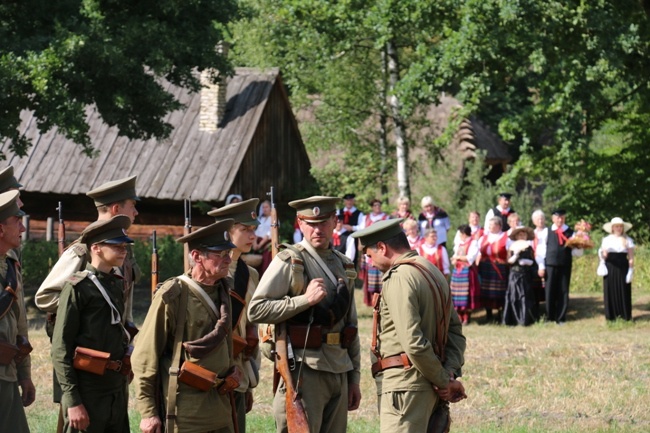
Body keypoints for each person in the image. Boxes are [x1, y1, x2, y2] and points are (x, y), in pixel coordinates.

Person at [248, 196, 361, 433]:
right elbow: (256, 309)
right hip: (303, 370)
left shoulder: (346, 265)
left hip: (339, 369)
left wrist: (354, 379)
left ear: (335, 222)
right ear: (300, 223)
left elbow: (351, 327)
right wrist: (304, 300)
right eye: (310, 223)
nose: (317, 229)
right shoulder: (289, 261)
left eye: (323, 222)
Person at [35, 175, 141, 424]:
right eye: (132, 205)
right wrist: (88, 310)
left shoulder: (122, 249)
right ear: (116, 209)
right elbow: (45, 297)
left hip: (113, 356)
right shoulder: (83, 249)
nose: (136, 212)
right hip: (85, 359)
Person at [351, 219, 466, 432]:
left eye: (369, 255)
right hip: (428, 387)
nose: (370, 263)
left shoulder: (399, 277)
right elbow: (455, 332)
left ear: (383, 248)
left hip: (405, 389)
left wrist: (443, 380)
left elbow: (413, 342)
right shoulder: (432, 271)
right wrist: (448, 373)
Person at [132, 219, 239, 433]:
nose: (228, 259)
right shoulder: (174, 295)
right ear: (198, 256)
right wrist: (148, 412)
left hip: (222, 407)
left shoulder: (224, 291)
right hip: (186, 415)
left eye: (229, 253)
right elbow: (144, 357)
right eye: (221, 254)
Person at [51, 215, 135, 433]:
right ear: (96, 248)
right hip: (89, 390)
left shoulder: (115, 284)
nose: (123, 250)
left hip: (116, 387)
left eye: (125, 245)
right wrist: (72, 401)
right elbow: (60, 348)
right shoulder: (78, 287)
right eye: (117, 245)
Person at [208, 199, 262, 432]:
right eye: (245, 229)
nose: (252, 235)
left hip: (238, 373)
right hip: (209, 373)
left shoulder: (250, 275)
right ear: (227, 233)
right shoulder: (207, 273)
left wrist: (249, 383)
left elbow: (251, 330)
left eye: (253, 229)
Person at [0, 191, 34, 433]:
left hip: (7, 373)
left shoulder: (9, 265)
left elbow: (19, 324)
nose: (23, 228)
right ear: (1, 229)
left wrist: (24, 373)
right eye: (17, 221)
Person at [537, 209, 583, 324]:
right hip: (550, 265)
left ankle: (561, 317)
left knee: (563, 291)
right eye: (557, 217)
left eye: (562, 217)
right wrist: (541, 266)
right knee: (549, 291)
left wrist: (580, 246)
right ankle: (550, 316)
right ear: (553, 219)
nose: (560, 220)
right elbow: (541, 250)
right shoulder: (547, 231)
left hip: (564, 265)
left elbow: (577, 253)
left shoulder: (570, 232)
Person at [599, 217, 635, 321]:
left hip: (623, 267)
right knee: (610, 289)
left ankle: (625, 315)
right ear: (612, 228)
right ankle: (611, 316)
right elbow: (604, 255)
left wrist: (630, 271)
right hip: (610, 266)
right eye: (616, 226)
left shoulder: (628, 240)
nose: (619, 228)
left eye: (620, 226)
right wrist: (601, 256)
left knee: (623, 289)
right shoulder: (607, 239)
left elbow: (631, 258)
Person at [502, 226, 538, 326]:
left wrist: (527, 262)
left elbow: (533, 262)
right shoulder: (512, 247)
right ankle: (512, 319)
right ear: (517, 236)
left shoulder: (529, 247)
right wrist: (516, 256)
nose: (522, 236)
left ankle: (525, 319)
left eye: (524, 234)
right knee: (513, 296)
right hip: (514, 275)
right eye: (520, 234)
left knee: (525, 296)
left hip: (526, 275)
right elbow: (508, 261)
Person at [477, 217, 510, 323]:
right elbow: (479, 253)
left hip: (500, 268)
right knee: (486, 292)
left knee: (499, 292)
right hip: (485, 267)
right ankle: (489, 315)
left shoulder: (506, 238)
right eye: (489, 225)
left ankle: (500, 315)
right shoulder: (483, 238)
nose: (490, 227)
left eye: (492, 225)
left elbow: (509, 254)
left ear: (499, 226)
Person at [359, 199, 389, 306]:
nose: (377, 207)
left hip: (381, 246)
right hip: (369, 245)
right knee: (370, 274)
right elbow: (361, 232)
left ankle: (384, 297)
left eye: (379, 205)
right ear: (372, 206)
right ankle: (372, 300)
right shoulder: (366, 218)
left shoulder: (386, 217)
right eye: (375, 205)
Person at [450, 224, 480, 325]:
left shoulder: (473, 243)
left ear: (463, 234)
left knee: (466, 294)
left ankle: (466, 316)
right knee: (457, 294)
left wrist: (457, 258)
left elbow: (470, 258)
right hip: (457, 271)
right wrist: (455, 260)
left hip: (467, 271)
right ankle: (459, 315)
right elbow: (455, 256)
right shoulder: (459, 244)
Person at [337, 193, 364, 268]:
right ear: (344, 201)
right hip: (340, 237)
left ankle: (352, 274)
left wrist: (352, 228)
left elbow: (362, 227)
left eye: (351, 200)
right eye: (347, 200)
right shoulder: (339, 211)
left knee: (352, 256)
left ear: (353, 201)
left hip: (353, 237)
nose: (349, 202)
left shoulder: (359, 213)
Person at [531, 210, 548, 305]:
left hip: (547, 260)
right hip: (535, 262)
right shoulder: (532, 233)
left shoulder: (549, 232)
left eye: (542, 219)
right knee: (536, 287)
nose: (540, 221)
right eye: (538, 219)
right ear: (534, 221)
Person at [253, 200, 273, 275]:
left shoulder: (273, 219)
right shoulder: (260, 219)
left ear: (270, 208)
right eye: (263, 207)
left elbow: (269, 234)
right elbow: (255, 232)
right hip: (257, 243)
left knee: (265, 265)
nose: (265, 209)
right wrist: (255, 244)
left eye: (266, 207)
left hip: (267, 245)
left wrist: (260, 245)